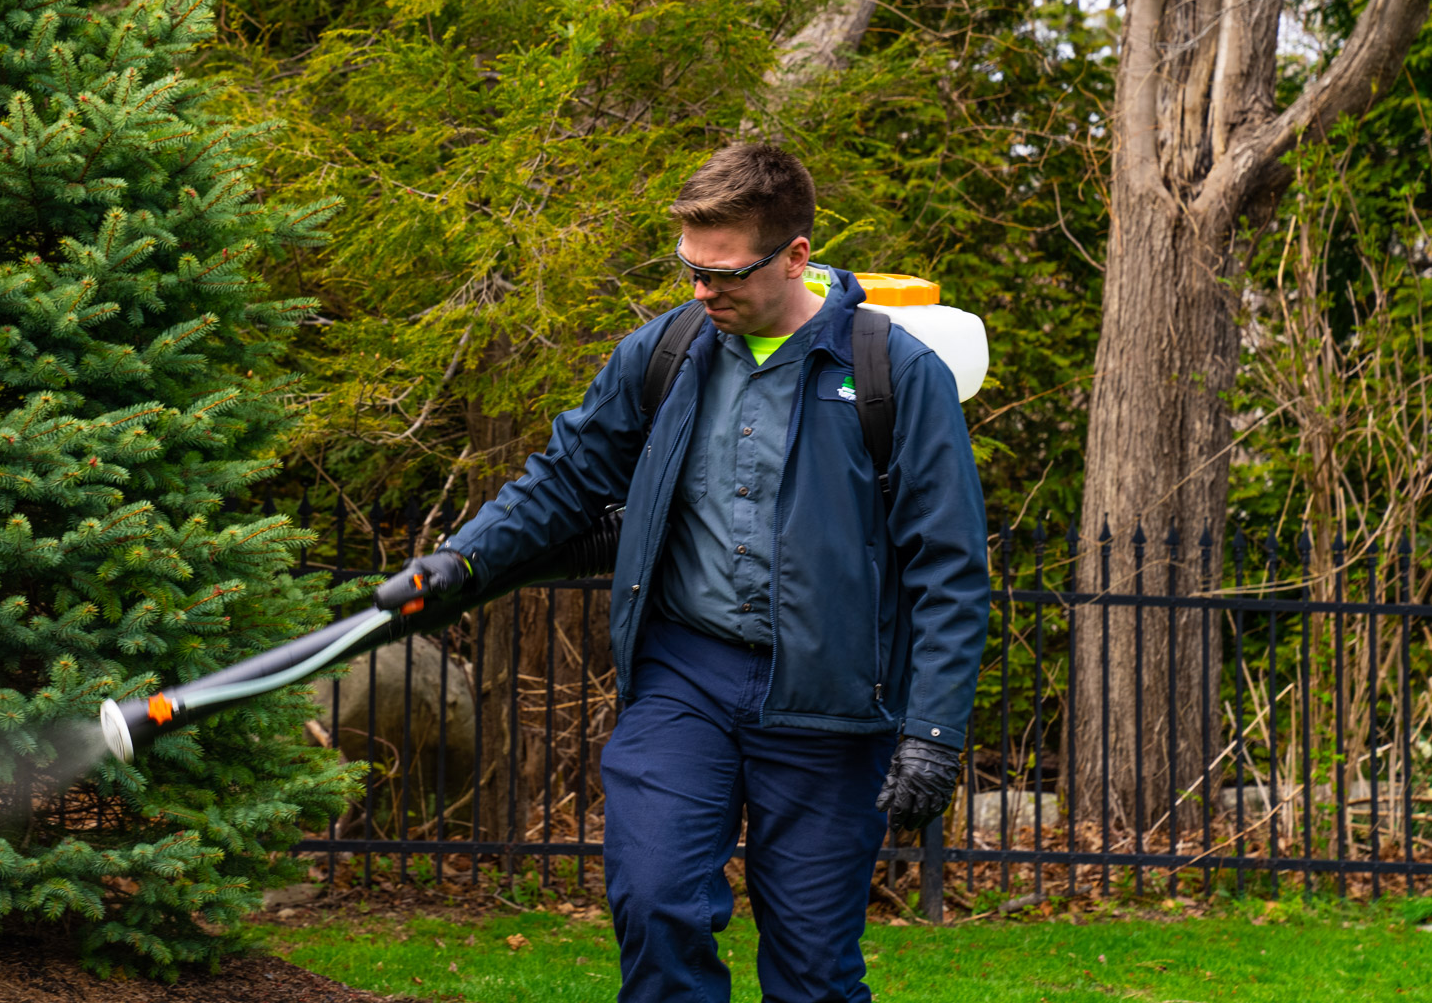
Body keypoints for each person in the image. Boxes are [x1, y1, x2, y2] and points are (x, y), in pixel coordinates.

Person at [394, 144, 990, 1003]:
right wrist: (465, 556)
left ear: (794, 256)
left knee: (813, 972)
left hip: (830, 705)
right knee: (656, 898)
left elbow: (949, 568)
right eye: (690, 270)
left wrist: (932, 734)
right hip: (687, 677)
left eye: (725, 275)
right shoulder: (668, 351)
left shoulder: (893, 374)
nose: (702, 292)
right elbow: (566, 477)